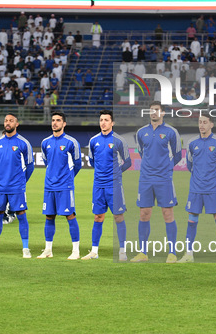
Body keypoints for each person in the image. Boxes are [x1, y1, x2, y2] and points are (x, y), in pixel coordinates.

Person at [131, 102, 182, 263]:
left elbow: (178, 155)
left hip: (164, 179)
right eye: (151, 110)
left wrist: (165, 168)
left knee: (168, 213)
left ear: (163, 113)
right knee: (144, 214)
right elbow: (141, 151)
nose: (154, 113)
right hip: (145, 179)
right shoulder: (141, 132)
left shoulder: (171, 132)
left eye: (157, 110)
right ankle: (143, 253)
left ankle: (172, 253)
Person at [178, 115, 216, 264]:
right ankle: (189, 254)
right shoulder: (191, 143)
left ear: (211, 124)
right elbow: (189, 164)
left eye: (205, 122)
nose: (202, 125)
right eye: (200, 122)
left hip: (213, 189)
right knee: (191, 220)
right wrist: (198, 177)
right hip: (195, 189)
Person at [0, 114, 34, 258]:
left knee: (22, 215)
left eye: (11, 120)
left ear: (17, 124)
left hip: (16, 187)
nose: (8, 123)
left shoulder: (23, 143)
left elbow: (30, 166)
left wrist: (21, 182)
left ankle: (25, 249)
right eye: (6, 120)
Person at [82, 110, 132, 261]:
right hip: (98, 185)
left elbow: (128, 162)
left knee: (118, 216)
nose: (103, 122)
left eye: (106, 120)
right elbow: (92, 161)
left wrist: (115, 173)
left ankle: (122, 251)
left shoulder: (119, 140)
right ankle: (94, 252)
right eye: (101, 120)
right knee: (98, 217)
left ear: (112, 123)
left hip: (114, 185)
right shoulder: (93, 141)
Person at [38, 112, 82, 260]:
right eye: (53, 120)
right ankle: (48, 250)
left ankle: (76, 250)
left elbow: (77, 164)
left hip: (65, 186)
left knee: (70, 215)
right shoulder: (45, 142)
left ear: (64, 124)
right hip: (49, 186)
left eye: (58, 120)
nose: (55, 123)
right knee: (49, 216)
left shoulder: (71, 142)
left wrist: (67, 178)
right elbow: (46, 161)